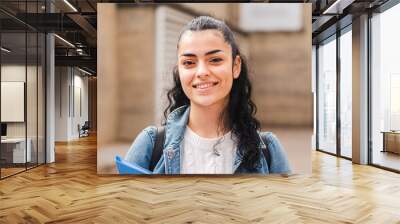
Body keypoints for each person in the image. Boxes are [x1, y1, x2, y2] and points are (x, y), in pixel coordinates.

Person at [124, 16, 291, 175]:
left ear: (236, 66)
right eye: (189, 63)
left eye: (215, 60)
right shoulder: (150, 143)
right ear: (179, 70)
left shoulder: (269, 149)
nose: (202, 72)